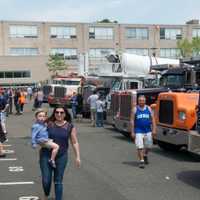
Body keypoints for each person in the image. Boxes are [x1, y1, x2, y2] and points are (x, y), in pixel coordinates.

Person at [39, 105, 81, 200]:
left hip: (61, 156)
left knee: (58, 180)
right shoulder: (48, 124)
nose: (59, 114)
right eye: (57, 112)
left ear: (65, 114)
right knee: (46, 180)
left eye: (61, 112)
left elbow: (74, 142)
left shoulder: (69, 126)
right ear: (54, 113)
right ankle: (46, 195)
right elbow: (38, 135)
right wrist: (42, 142)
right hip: (46, 155)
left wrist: (77, 156)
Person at [130, 95, 156, 169]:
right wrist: (132, 131)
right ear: (138, 101)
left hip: (148, 130)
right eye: (140, 100)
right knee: (140, 146)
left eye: (143, 100)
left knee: (149, 146)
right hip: (138, 130)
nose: (141, 102)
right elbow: (132, 120)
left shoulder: (149, 108)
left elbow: (153, 119)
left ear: (145, 101)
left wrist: (154, 129)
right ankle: (141, 161)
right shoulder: (134, 109)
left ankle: (145, 155)